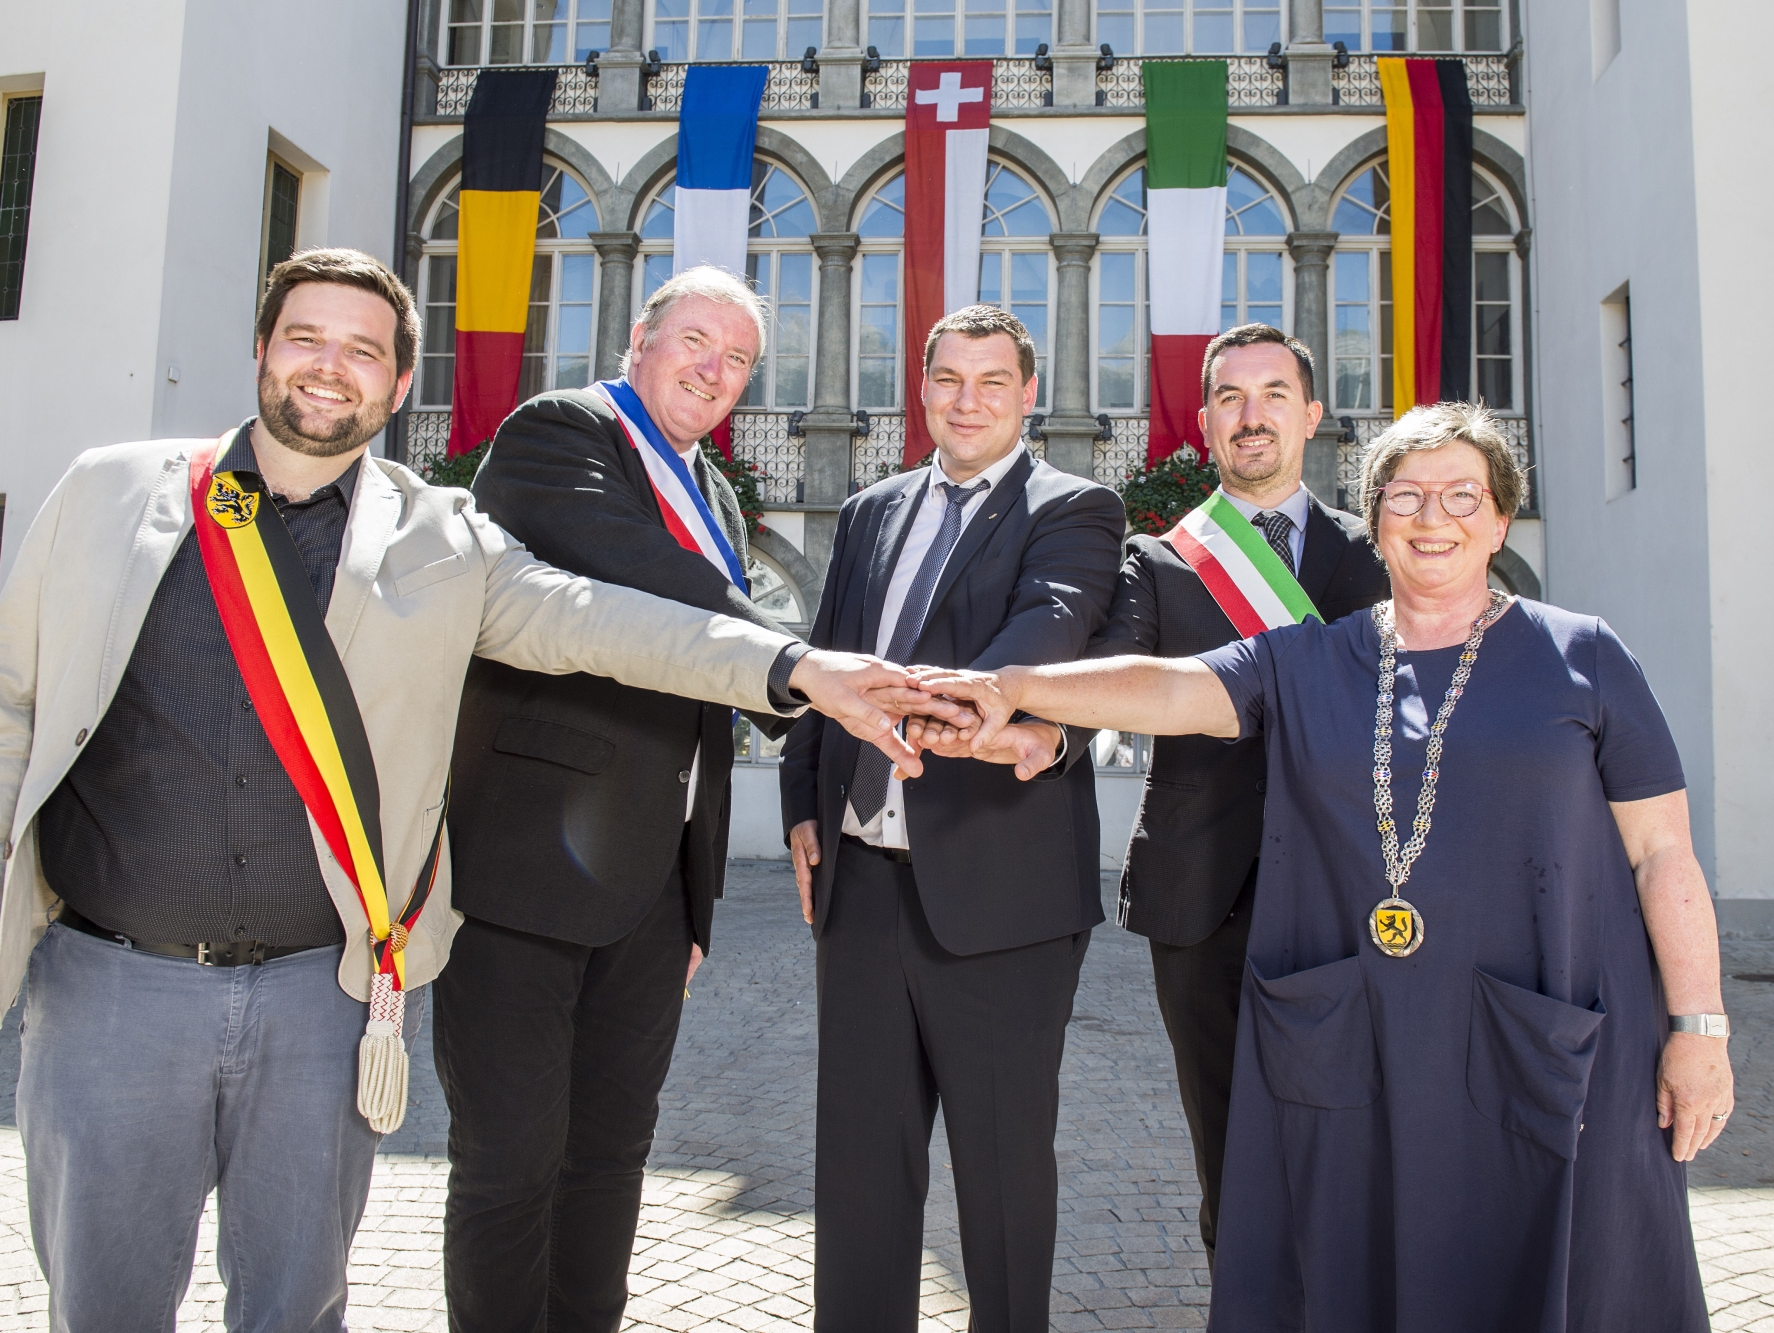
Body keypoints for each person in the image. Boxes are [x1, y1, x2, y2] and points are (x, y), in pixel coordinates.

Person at [0, 248, 956, 1331]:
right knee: (105, 1305)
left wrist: (796, 670)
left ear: (399, 383)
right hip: (112, 984)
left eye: (364, 351)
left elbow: (589, 619)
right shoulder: (109, 491)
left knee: (295, 1303)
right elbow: (5, 704)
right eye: (307, 339)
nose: (332, 369)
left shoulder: (441, 538)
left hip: (318, 992)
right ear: (262, 348)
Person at [916, 400, 1733, 1333]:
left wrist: (1698, 1028)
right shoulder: (1310, 657)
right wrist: (1009, 683)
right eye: (1407, 496)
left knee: (1558, 1261)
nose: (1434, 518)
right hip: (1369, 1037)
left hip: (1545, 1032)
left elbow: (1664, 850)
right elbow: (1170, 685)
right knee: (1358, 1252)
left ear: (1501, 519)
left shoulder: (1584, 654)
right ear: (1375, 517)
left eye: (1463, 495)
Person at [435, 266, 800, 1329]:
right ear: (639, 338)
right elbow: (642, 577)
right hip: (522, 877)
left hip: (650, 891)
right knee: (509, 1161)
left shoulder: (716, 490)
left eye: (737, 360)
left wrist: (690, 896)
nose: (713, 370)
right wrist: (800, 671)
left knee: (609, 1158)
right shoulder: (558, 432)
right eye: (696, 340)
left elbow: (698, 713)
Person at [778, 305, 1126, 1331]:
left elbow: (1045, 631)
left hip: (997, 890)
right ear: (919, 387)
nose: (965, 401)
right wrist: (804, 799)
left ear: (1028, 393)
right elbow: (822, 657)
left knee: (1002, 1167)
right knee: (858, 1165)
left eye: (990, 381)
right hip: (858, 878)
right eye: (946, 379)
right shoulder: (869, 511)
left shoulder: (1074, 508)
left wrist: (948, 702)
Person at [1095, 323, 1385, 1263]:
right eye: (1229, 396)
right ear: (1205, 420)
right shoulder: (1163, 558)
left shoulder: (1374, 554)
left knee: (1350, 1133)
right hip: (1201, 890)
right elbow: (1112, 674)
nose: (1250, 415)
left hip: (1350, 889)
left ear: (1311, 413)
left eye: (1271, 394)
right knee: (1225, 1143)